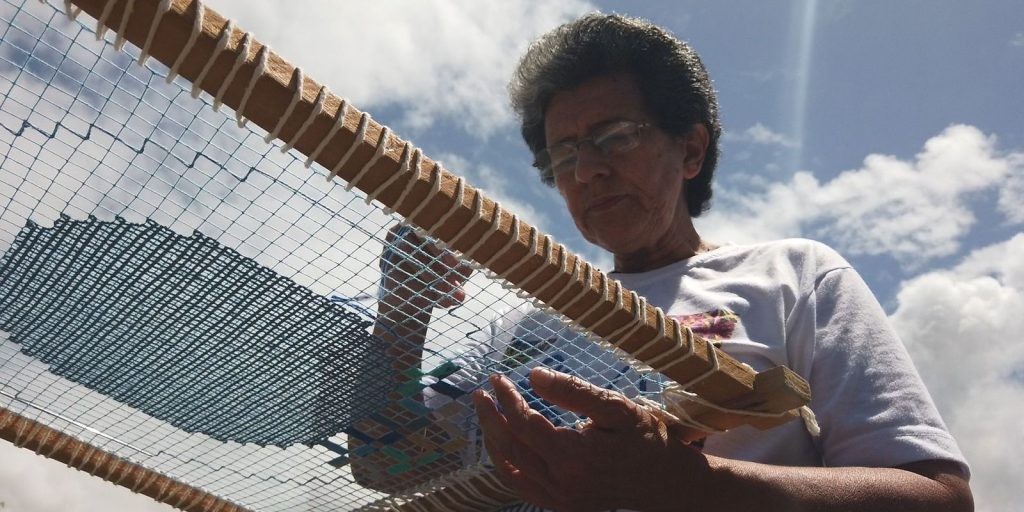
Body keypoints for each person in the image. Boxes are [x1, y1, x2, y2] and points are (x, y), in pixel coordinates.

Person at [359, 13, 973, 512]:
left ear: (691, 150)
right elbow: (384, 464)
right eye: (564, 154)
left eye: (615, 136)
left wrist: (689, 485)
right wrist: (402, 311)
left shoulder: (792, 277)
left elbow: (937, 498)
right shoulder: (519, 326)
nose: (588, 170)